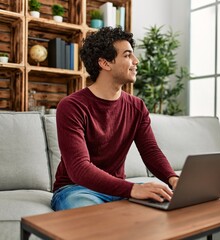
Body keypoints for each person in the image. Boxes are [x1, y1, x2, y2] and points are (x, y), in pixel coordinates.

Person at [51, 27, 179, 211]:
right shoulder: (71, 106)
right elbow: (79, 168)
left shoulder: (137, 107)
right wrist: (133, 189)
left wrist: (172, 178)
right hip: (76, 190)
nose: (136, 61)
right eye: (127, 55)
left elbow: (151, 152)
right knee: (90, 220)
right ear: (105, 63)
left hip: (119, 189)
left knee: (168, 206)